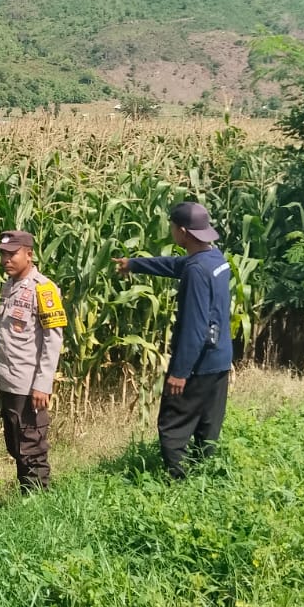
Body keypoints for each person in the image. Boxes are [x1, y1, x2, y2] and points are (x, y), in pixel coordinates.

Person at [117, 202, 234, 480]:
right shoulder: (215, 259)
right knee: (208, 425)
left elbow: (195, 328)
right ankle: (205, 479)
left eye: (172, 227)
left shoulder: (196, 271)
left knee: (172, 426)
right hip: (219, 358)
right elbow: (176, 264)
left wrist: (180, 373)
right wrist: (134, 264)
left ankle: (178, 482)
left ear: (182, 231)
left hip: (198, 363)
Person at [0, 230, 67, 493]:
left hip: (29, 385)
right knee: (15, 443)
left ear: (29, 254)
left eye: (12, 254)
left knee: (32, 444)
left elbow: (53, 341)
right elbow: (4, 338)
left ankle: (39, 498)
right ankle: (27, 495)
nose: (5, 260)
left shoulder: (43, 289)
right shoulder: (8, 287)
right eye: (2, 255)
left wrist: (42, 385)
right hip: (9, 380)